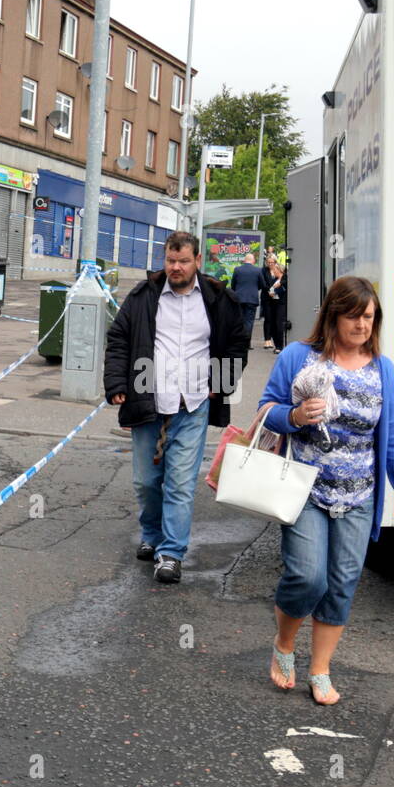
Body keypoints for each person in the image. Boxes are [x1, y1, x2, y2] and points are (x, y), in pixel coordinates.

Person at [258, 276, 394, 704]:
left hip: (358, 495)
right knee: (307, 575)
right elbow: (265, 409)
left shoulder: (382, 371)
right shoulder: (299, 357)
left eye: (369, 317)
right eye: (353, 316)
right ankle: (283, 644)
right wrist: (294, 415)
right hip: (304, 487)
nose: (362, 325)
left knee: (341, 582)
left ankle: (319, 669)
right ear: (334, 315)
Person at [104, 231, 249, 584]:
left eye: (183, 261)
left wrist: (222, 383)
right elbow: (119, 338)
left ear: (197, 261)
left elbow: (236, 342)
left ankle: (171, 553)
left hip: (194, 403)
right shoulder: (143, 297)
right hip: (148, 398)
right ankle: (151, 535)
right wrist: (117, 384)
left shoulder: (218, 299)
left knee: (180, 483)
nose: (176, 267)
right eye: (171, 261)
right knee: (146, 482)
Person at [228, 252, 264, 347]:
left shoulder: (237, 270)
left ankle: (238, 342)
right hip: (252, 299)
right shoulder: (258, 270)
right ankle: (246, 343)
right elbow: (263, 284)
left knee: (239, 320)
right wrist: (255, 289)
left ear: (244, 260)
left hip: (239, 299)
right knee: (249, 321)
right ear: (253, 261)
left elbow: (233, 285)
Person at [262, 256, 287, 352]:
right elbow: (269, 288)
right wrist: (271, 292)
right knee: (272, 325)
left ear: (279, 271)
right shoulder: (273, 280)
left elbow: (284, 288)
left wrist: (276, 290)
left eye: (275, 270)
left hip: (281, 305)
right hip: (272, 305)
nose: (273, 272)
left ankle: (280, 347)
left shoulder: (285, 279)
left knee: (278, 325)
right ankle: (277, 345)